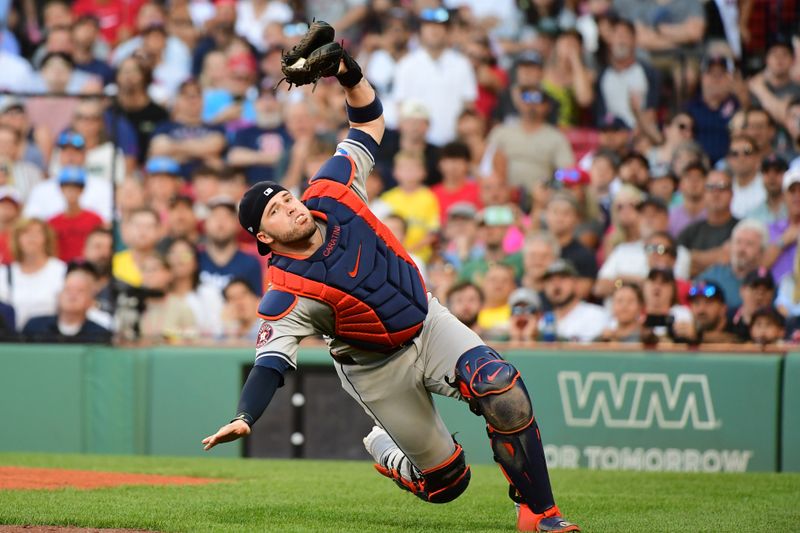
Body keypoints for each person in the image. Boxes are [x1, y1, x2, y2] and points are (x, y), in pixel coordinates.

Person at [201, 31, 580, 533]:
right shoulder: (285, 289)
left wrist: (348, 72)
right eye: (275, 210)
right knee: (449, 484)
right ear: (264, 237)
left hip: (428, 321)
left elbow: (368, 120)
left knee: (502, 388)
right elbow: (271, 361)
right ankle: (385, 448)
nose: (290, 205)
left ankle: (541, 513)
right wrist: (246, 416)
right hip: (377, 369)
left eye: (286, 197)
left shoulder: (331, 188)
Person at [392, 7, 477, 146]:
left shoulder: (462, 64)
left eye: (439, 26)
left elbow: (469, 106)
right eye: (429, 26)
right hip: (419, 145)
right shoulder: (406, 65)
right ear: (421, 32)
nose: (434, 31)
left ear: (448, 31)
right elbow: (400, 108)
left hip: (453, 145)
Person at [0, 218, 67, 331]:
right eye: (26, 233)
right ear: (17, 239)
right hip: (13, 339)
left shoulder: (61, 270)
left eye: (37, 233)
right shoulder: (4, 273)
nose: (31, 238)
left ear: (46, 238)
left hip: (50, 338)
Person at [21, 267, 111, 343]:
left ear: (91, 301)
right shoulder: (35, 328)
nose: (72, 295)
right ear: (59, 295)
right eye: (68, 289)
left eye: (80, 291)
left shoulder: (100, 335)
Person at [678, 169, 739, 277]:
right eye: (710, 188)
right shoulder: (691, 231)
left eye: (721, 187)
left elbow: (729, 258)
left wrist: (694, 257)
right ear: (704, 194)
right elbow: (678, 262)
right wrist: (716, 256)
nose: (716, 193)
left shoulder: (741, 228)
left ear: (731, 193)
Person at [698, 219, 769, 311]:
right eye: (738, 242)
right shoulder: (714, 274)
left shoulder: (766, 284)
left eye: (749, 244)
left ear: (761, 252)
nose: (741, 249)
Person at [197, 196, 263, 295]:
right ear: (205, 224)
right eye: (215, 216)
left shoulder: (250, 263)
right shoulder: (195, 259)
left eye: (227, 217)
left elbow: (256, 302)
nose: (220, 222)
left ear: (237, 225)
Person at [539, 259, 609, 342]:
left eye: (562, 278)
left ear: (575, 283)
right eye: (550, 280)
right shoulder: (543, 322)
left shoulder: (596, 315)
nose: (556, 284)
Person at [47, 166, 104, 263]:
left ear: (82, 190)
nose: (71, 192)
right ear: (61, 189)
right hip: (61, 268)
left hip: (88, 267)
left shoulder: (95, 219)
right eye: (67, 187)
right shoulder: (52, 222)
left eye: (76, 188)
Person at [728, 268, 777, 341]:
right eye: (754, 288)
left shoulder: (778, 321)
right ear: (742, 290)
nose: (760, 295)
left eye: (766, 289)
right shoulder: (728, 318)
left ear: (773, 294)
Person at [668, 160, 707, 237]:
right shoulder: (670, 217)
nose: (694, 182)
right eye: (689, 177)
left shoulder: (715, 214)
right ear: (680, 185)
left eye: (698, 177)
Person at [220, 277, 262, 342]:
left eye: (243, 295)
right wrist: (230, 326)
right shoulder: (224, 334)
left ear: (256, 299)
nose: (239, 302)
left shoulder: (267, 329)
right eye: (233, 298)